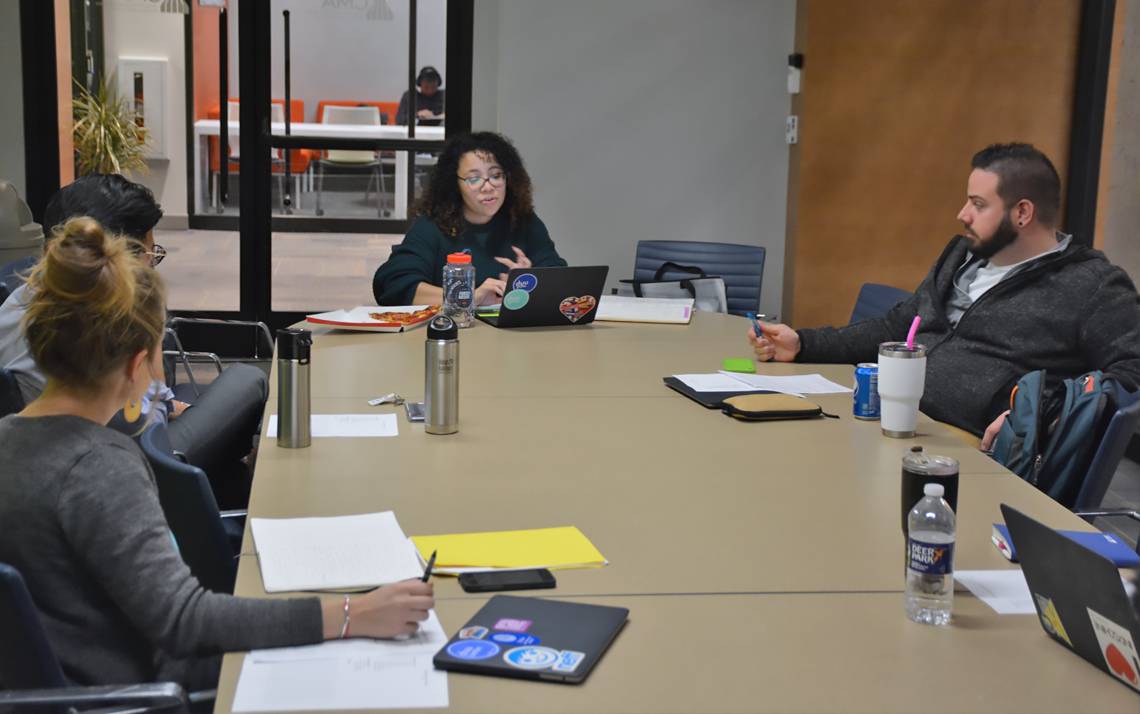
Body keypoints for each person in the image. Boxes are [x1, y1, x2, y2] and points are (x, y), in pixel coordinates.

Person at [0, 218, 434, 687]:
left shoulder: (9, 434)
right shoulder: (99, 467)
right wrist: (354, 613)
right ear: (136, 361)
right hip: (148, 687)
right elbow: (185, 619)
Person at [747, 143, 1140, 442]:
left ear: (1022, 213)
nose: (962, 214)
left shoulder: (1091, 286)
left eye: (978, 204)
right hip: (896, 425)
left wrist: (1040, 417)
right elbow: (898, 326)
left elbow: (1131, 377)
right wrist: (804, 344)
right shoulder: (962, 256)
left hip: (972, 454)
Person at [0, 175, 265, 499]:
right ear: (113, 256)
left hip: (64, 459)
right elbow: (142, 415)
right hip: (133, 464)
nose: (152, 267)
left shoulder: (22, 298)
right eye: (151, 256)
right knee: (250, 380)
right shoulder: (103, 320)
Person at [372, 131, 567, 306]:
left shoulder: (523, 220)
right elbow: (392, 285)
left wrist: (533, 279)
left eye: (496, 175)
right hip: (451, 334)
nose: (488, 186)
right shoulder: (432, 226)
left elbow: (560, 278)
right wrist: (468, 297)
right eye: (474, 178)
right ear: (454, 184)